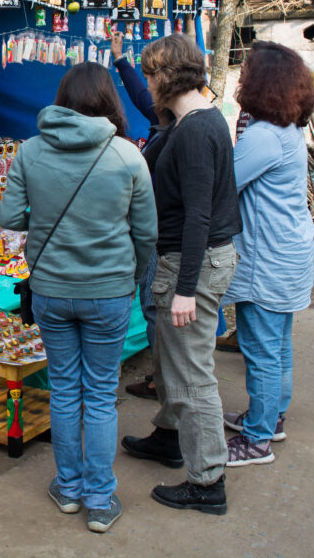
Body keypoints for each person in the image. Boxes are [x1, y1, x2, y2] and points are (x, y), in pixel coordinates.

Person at [0, 62, 157, 533]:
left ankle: (68, 489)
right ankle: (100, 500)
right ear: (109, 99)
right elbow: (146, 232)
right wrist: (134, 275)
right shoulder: (128, 155)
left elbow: (8, 217)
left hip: (50, 288)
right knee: (102, 395)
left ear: (63, 97)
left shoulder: (30, 151)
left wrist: (45, 223)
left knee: (65, 391)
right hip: (109, 291)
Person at [121, 34, 241, 516]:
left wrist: (186, 289)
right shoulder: (191, 121)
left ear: (167, 75)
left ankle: (207, 480)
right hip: (194, 258)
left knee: (192, 375)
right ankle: (170, 437)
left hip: (192, 262)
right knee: (172, 363)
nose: (146, 83)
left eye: (150, 74)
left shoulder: (195, 131)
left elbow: (198, 216)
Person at [219, 42, 314, 465]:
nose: (240, 82)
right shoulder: (288, 129)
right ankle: (270, 419)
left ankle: (257, 439)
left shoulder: (263, 137)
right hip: (287, 253)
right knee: (278, 345)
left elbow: (223, 186)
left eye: (245, 75)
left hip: (266, 259)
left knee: (261, 350)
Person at [112, 31, 166, 401]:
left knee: (157, 311)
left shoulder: (182, 128)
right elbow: (141, 95)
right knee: (154, 312)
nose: (147, 86)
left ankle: (165, 382)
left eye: (152, 77)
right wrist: (120, 60)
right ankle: (162, 378)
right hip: (160, 239)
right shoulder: (165, 118)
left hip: (165, 240)